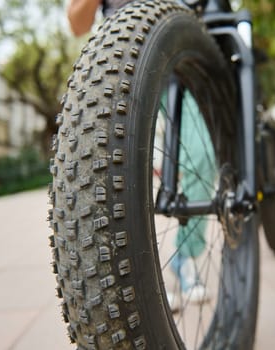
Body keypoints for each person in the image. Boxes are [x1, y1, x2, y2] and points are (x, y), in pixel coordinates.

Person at [67, 0, 213, 305]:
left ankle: (184, 257)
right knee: (111, 178)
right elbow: (77, 23)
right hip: (119, 60)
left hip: (177, 54)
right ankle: (131, 285)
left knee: (201, 155)